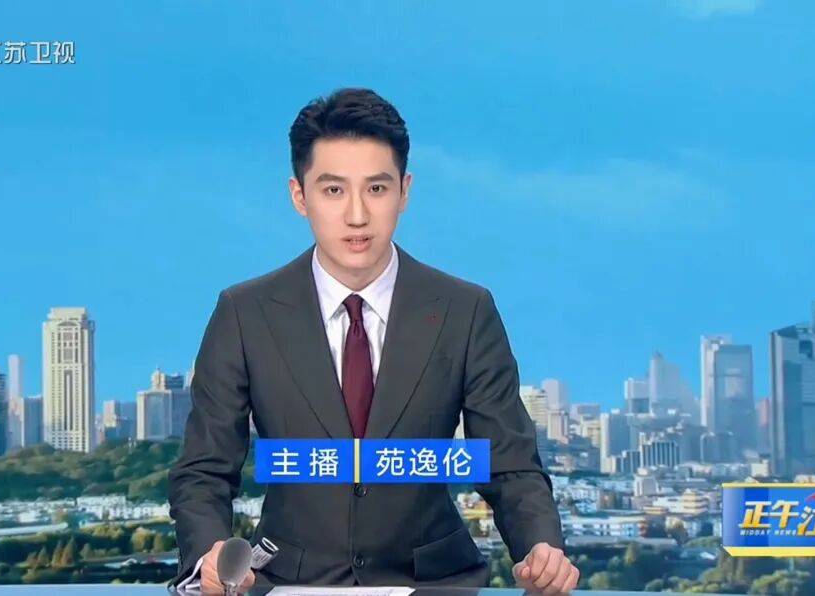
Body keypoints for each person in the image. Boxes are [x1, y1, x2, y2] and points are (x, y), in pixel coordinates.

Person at [168, 88, 578, 595]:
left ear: (404, 192)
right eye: (333, 190)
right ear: (299, 196)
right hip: (287, 581)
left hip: (432, 581)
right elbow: (204, 472)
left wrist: (541, 548)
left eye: (377, 189)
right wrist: (210, 555)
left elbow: (509, 464)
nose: (357, 215)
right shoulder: (245, 313)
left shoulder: (465, 310)